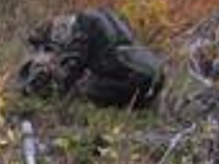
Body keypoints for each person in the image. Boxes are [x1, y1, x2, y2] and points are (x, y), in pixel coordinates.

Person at [17, 8, 165, 109]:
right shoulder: (108, 17)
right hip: (154, 75)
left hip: (132, 78)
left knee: (80, 91)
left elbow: (74, 67)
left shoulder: (83, 24)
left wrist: (51, 93)